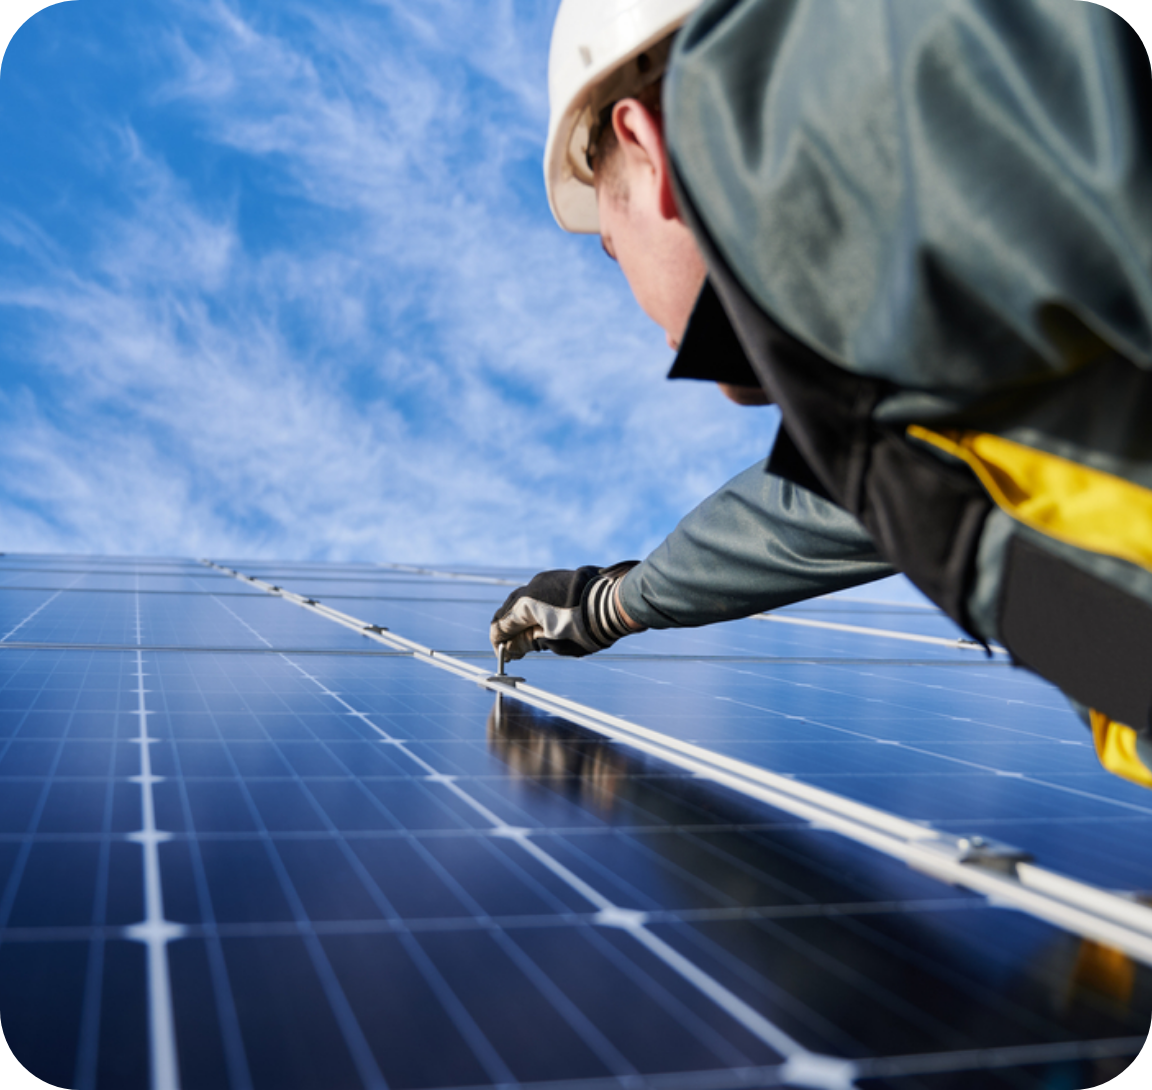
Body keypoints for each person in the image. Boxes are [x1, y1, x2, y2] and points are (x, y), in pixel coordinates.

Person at [491, 0, 1152, 788]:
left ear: (647, 147)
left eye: (611, 246)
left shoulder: (952, 98)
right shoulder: (908, 390)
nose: (640, 306)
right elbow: (809, 507)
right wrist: (613, 603)